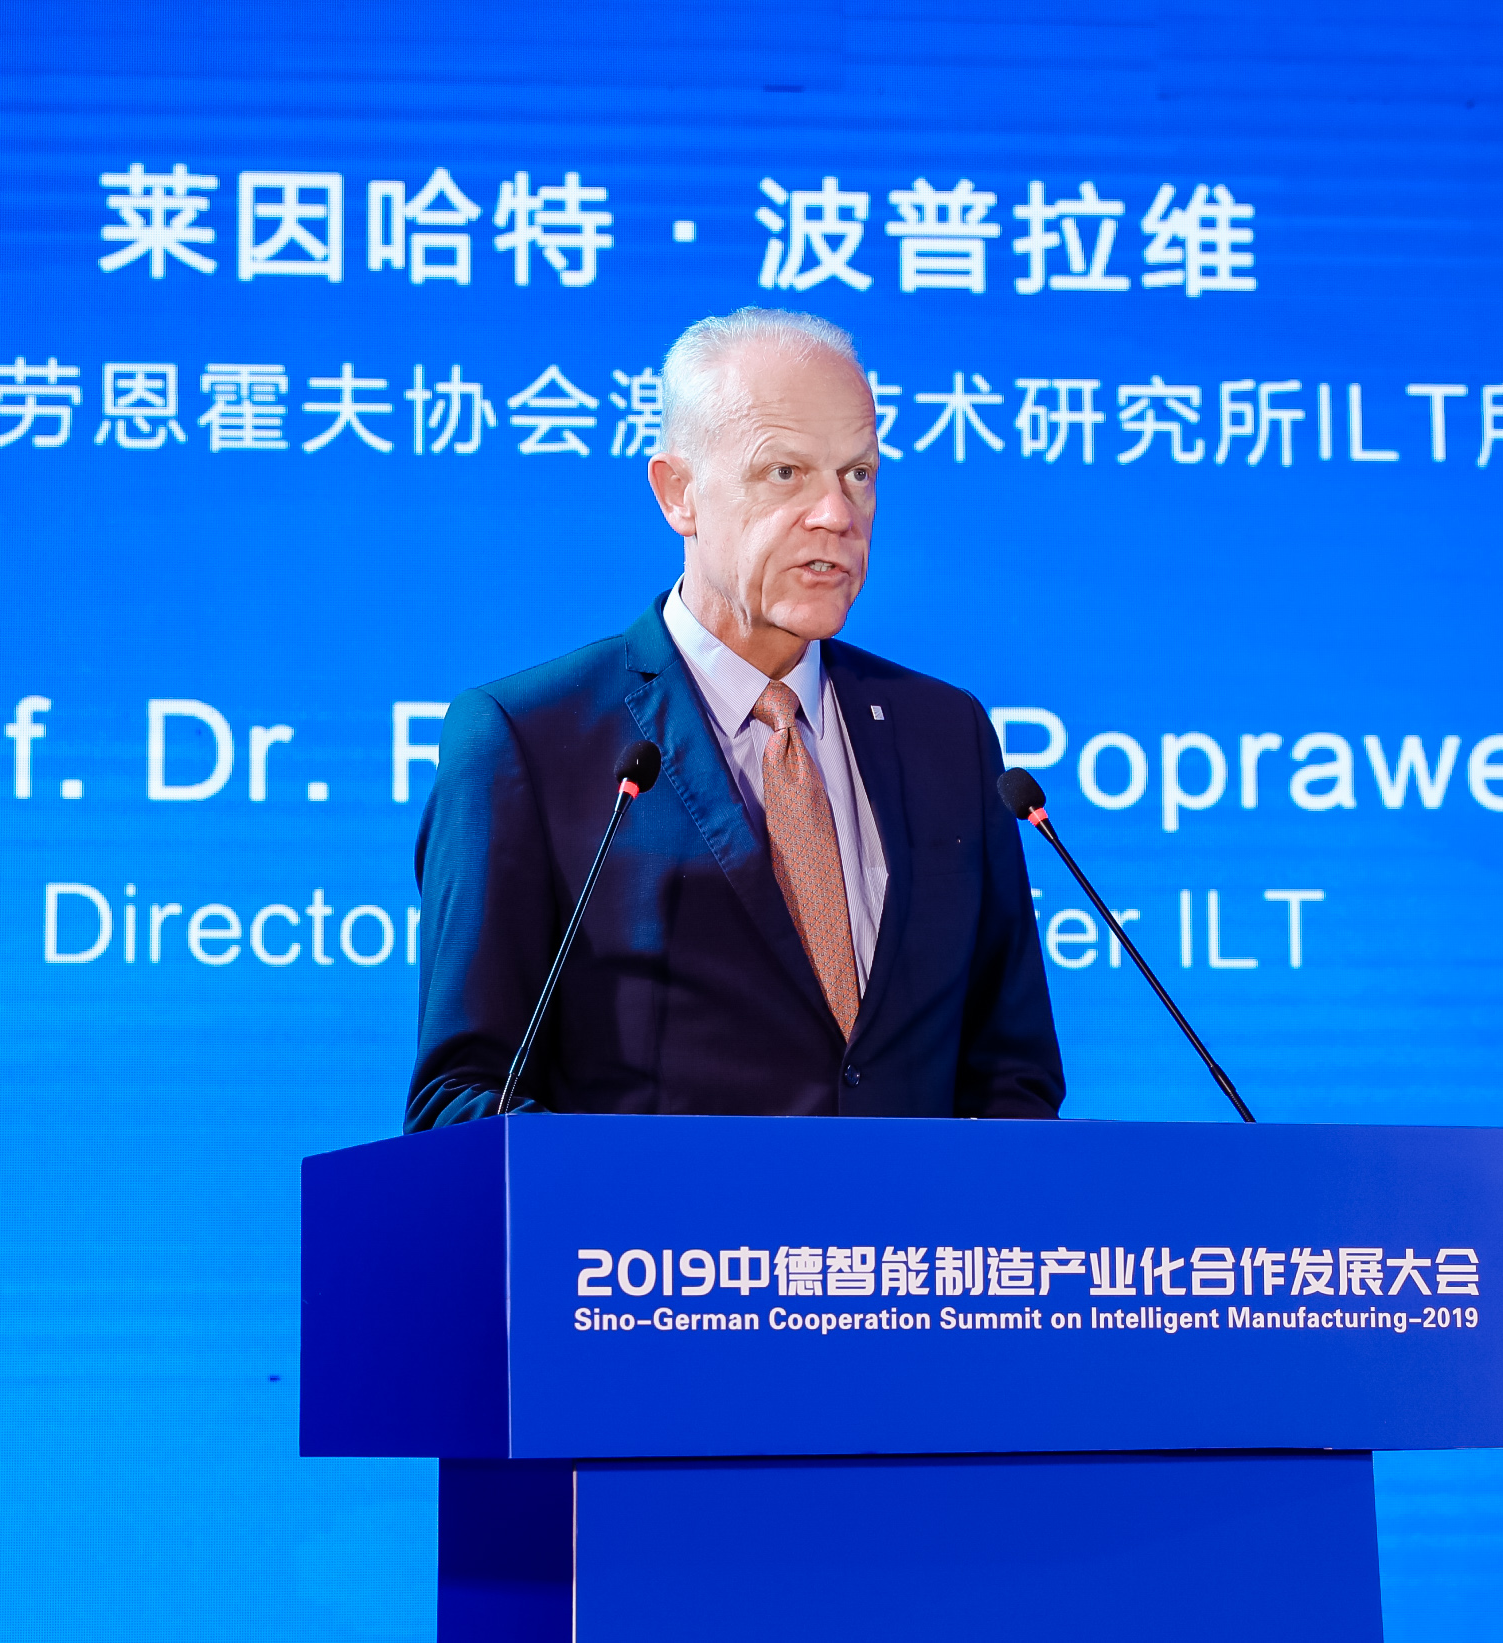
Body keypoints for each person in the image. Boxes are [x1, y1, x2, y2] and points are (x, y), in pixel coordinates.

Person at [406, 307, 1062, 1128]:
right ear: (677, 493)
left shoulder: (946, 736)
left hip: (909, 1220)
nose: (836, 514)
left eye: (859, 473)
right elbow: (463, 1100)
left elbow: (1012, 1079)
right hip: (651, 1218)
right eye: (785, 472)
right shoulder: (527, 741)